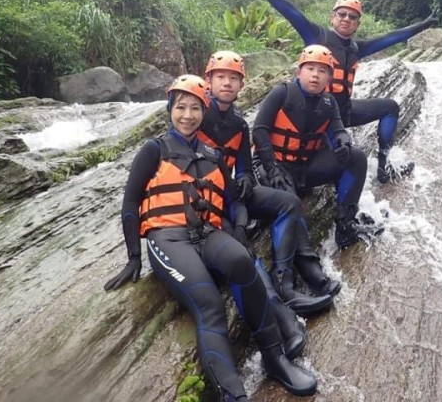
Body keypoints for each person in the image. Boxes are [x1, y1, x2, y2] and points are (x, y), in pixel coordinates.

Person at [104, 74, 317, 401]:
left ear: (204, 112)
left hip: (207, 232)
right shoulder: (154, 149)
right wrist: (134, 256)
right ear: (170, 110)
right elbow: (131, 202)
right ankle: (233, 394)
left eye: (194, 108)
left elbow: (233, 201)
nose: (187, 115)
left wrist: (240, 230)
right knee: (211, 305)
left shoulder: (213, 154)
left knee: (243, 264)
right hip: (168, 239)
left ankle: (275, 359)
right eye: (180, 108)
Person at [246, 0, 439, 183]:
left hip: (343, 112)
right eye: (342, 14)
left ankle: (384, 166)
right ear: (333, 17)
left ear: (357, 23)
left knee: (390, 108)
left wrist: (424, 24)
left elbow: (392, 36)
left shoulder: (359, 48)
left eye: (352, 16)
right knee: (342, 156)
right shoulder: (317, 36)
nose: (346, 19)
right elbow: (291, 12)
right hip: (317, 116)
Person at [199, 50, 338, 316]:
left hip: (228, 194)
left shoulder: (239, 124)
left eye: (233, 78)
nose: (227, 83)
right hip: (204, 202)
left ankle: (285, 283)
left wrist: (244, 178)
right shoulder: (193, 114)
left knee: (289, 203)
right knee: (241, 241)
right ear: (209, 80)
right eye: (220, 77)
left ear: (242, 84)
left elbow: (244, 166)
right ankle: (280, 306)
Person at [252, 44, 378, 250]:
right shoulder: (280, 93)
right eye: (310, 69)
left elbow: (338, 130)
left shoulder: (328, 103)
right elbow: (259, 131)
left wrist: (343, 142)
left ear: (328, 78)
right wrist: (272, 167)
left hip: (305, 168)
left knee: (356, 158)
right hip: (276, 168)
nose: (315, 75)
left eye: (322, 71)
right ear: (299, 71)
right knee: (290, 206)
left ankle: (345, 225)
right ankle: (299, 264)